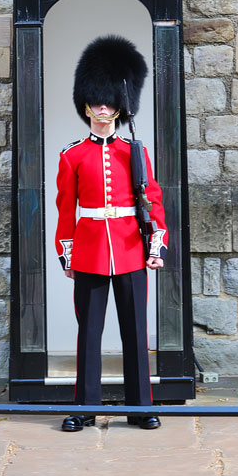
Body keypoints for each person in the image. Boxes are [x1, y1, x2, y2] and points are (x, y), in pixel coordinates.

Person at [55, 35, 168, 432]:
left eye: (108, 102)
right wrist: (67, 255)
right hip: (89, 252)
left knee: (136, 332)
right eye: (96, 102)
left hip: (131, 250)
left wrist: (157, 245)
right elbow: (65, 209)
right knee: (90, 333)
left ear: (119, 107)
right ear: (85, 105)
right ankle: (84, 407)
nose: (102, 108)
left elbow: (151, 201)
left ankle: (140, 408)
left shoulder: (134, 152)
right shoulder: (72, 155)